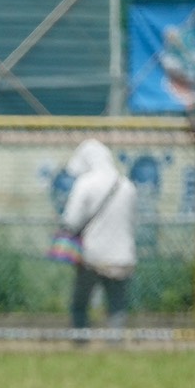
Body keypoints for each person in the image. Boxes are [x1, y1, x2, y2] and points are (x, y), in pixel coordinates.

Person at [60, 138, 137, 333]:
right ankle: (115, 345)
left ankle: (80, 342)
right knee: (117, 306)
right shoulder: (126, 185)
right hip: (122, 256)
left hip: (90, 256)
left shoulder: (85, 183)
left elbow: (71, 220)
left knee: (80, 304)